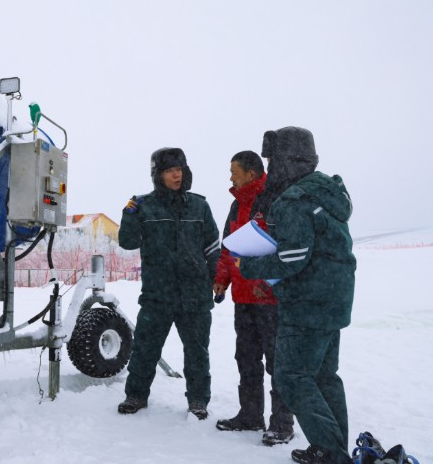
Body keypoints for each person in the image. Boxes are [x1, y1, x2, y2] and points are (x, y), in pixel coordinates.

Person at [237, 127, 356, 464]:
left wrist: (248, 264)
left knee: (291, 376)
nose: (271, 167)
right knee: (323, 375)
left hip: (306, 302)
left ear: (288, 160)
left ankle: (331, 451)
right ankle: (333, 448)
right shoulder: (327, 192)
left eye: (273, 160)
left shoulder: (294, 199)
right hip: (333, 298)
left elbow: (292, 257)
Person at [117, 147, 220, 420]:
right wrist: (128, 216)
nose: (177, 175)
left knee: (197, 352)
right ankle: (136, 395)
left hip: (195, 295)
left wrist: (214, 279)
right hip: (157, 295)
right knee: (145, 348)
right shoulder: (145, 206)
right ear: (157, 174)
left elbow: (212, 248)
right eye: (170, 170)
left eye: (180, 169)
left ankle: (198, 400)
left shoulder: (200, 206)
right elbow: (128, 243)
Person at [213, 150, 295, 445]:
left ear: (251, 173)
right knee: (246, 359)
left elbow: (284, 249)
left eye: (234, 171)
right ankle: (250, 416)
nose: (231, 177)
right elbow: (228, 248)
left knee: (277, 363)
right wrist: (222, 279)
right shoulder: (236, 206)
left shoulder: (275, 200)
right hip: (243, 298)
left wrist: (267, 282)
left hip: (270, 298)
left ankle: (282, 424)